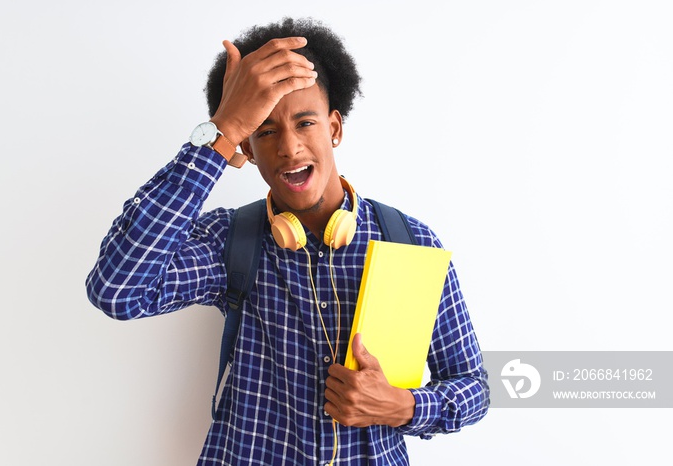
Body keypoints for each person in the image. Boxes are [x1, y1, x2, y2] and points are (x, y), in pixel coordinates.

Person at [86, 17, 489, 466]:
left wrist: (403, 407)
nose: (290, 147)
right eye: (265, 131)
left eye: (305, 122)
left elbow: (472, 386)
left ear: (334, 128)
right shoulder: (231, 241)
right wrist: (221, 132)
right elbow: (117, 291)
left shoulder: (411, 243)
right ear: (247, 148)